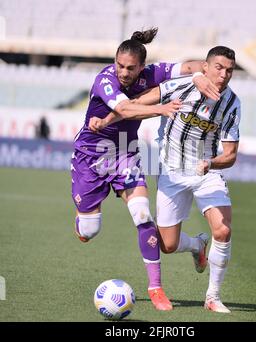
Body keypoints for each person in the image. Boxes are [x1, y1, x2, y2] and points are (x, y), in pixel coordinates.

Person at [71, 27, 220, 311]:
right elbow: (125, 109)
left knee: (142, 214)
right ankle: (85, 220)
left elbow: (188, 65)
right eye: (119, 65)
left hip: (124, 152)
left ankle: (156, 288)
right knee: (88, 231)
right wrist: (160, 110)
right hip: (90, 157)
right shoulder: (105, 79)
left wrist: (199, 75)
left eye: (130, 68)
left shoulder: (152, 74)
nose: (123, 72)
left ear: (142, 67)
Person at [98, 46, 240, 314]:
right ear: (205, 67)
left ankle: (213, 297)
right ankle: (197, 245)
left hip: (206, 172)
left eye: (229, 70)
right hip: (172, 173)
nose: (223, 75)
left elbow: (230, 155)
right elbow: (140, 100)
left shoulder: (232, 104)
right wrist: (106, 119)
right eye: (218, 68)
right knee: (167, 244)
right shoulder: (181, 86)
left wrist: (210, 163)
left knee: (222, 230)